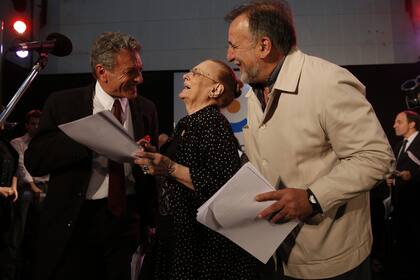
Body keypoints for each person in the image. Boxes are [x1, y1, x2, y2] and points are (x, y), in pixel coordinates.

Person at [225, 1, 394, 279]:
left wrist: (313, 199)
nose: (229, 54)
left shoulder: (329, 82)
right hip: (280, 253)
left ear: (263, 46)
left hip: (331, 259)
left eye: (234, 45)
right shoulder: (255, 93)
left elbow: (375, 157)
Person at [24, 32, 159, 280]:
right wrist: (90, 141)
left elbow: (149, 176)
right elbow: (36, 161)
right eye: (131, 72)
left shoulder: (146, 109)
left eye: (139, 70)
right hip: (75, 222)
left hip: (126, 221)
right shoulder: (63, 104)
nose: (140, 79)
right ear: (102, 71)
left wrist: (150, 164)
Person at [134, 59, 260, 280]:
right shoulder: (188, 124)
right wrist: (154, 158)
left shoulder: (213, 125)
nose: (186, 76)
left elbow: (223, 188)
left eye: (196, 73)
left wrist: (170, 167)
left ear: (215, 89)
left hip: (199, 247)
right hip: (175, 237)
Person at [1, 109, 49, 280]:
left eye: (38, 123)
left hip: (44, 184)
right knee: (27, 199)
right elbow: (20, 166)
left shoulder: (46, 142)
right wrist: (31, 185)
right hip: (28, 186)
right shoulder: (17, 142)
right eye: (32, 123)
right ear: (27, 125)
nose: (36, 127)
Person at [386, 110, 420, 279]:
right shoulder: (399, 146)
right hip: (400, 206)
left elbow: (413, 172)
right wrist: (391, 178)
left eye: (399, 122)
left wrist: (413, 176)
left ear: (412, 124)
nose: (394, 125)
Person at [0, 118, 18, 279]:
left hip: (5, 204)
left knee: (6, 245)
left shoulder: (5, 143)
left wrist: (14, 185)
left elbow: (15, 164)